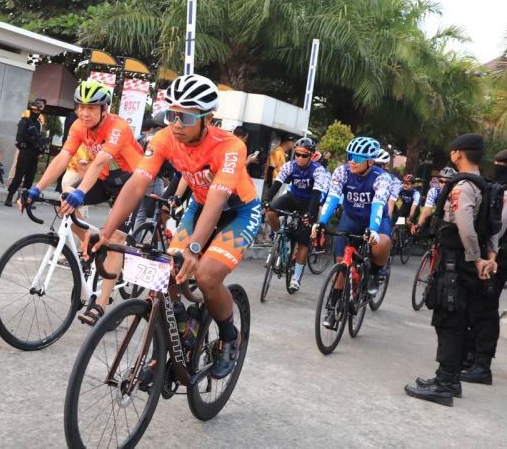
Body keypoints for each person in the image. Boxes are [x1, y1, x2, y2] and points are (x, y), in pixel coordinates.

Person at [89, 74, 260, 379]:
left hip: (238, 211)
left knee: (206, 276)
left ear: (207, 117)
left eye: (186, 116)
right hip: (198, 207)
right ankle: (180, 336)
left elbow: (219, 198)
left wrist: (195, 247)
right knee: (166, 272)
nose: (176, 123)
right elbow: (137, 184)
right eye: (171, 114)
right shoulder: (164, 138)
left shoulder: (230, 146)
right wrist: (105, 232)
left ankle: (229, 338)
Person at [21, 79, 143, 324]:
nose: (84, 112)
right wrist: (36, 188)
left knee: (116, 238)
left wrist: (81, 191)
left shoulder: (118, 127)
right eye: (80, 107)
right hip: (105, 179)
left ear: (104, 109)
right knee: (65, 204)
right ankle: (88, 239)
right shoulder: (78, 126)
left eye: (91, 107)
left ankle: (100, 305)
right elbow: (63, 157)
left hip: (131, 181)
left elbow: (99, 162)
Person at [405, 133, 498, 406]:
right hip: (464, 263)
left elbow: (466, 226)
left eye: (453, 150)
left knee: (450, 321)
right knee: (455, 319)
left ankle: (445, 384)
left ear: (459, 153)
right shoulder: (484, 185)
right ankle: (449, 378)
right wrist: (488, 256)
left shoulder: (462, 187)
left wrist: (477, 258)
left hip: (456, 263)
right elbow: (491, 228)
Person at [459, 148, 507, 384]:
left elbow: (498, 227)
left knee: (486, 309)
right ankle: (470, 356)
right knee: (475, 305)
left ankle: (482, 365)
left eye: (498, 164)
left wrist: (488, 257)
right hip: (493, 255)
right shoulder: (503, 190)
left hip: (497, 257)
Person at [314, 136, 395, 330]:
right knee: (343, 263)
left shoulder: (382, 178)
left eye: (357, 158)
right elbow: (333, 198)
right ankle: (333, 309)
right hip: (350, 219)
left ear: (370, 161)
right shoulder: (342, 171)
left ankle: (375, 274)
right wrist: (321, 222)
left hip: (374, 220)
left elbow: (378, 204)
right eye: (350, 156)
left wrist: (373, 230)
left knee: (382, 243)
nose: (352, 161)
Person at [263, 136, 331, 292]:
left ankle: (296, 277)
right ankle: (278, 234)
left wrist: (309, 213)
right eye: (297, 154)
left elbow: (316, 195)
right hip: (292, 197)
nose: (299, 158)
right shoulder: (290, 166)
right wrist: (267, 200)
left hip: (308, 204)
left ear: (311, 156)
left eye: (304, 155)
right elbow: (277, 183)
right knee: (271, 212)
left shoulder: (318, 170)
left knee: (303, 243)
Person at [5, 100, 46, 206]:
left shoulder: (38, 124)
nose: (36, 112)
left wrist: (41, 149)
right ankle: (9, 197)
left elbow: (39, 138)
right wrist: (32, 141)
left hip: (34, 153)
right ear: (31, 109)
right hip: (25, 151)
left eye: (38, 110)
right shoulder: (24, 121)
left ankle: (24, 200)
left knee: (30, 178)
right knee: (19, 176)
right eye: (34, 110)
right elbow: (20, 136)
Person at [414, 167, 456, 236]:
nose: (444, 184)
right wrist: (419, 225)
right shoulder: (434, 191)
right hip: (439, 215)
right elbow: (427, 210)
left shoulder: (456, 192)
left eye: (447, 182)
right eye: (441, 181)